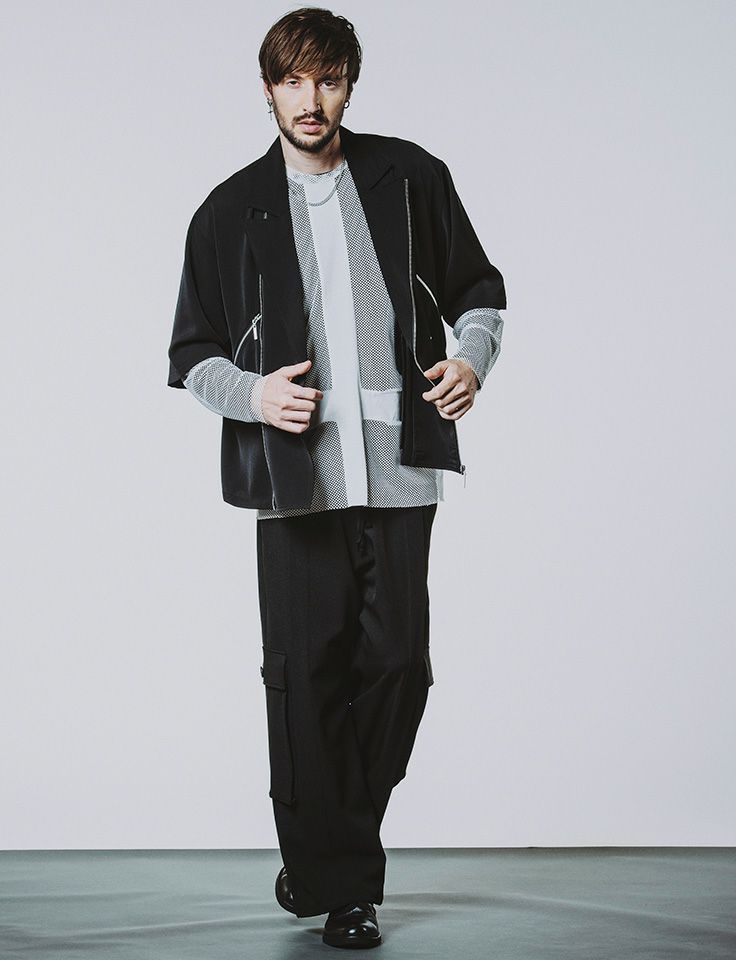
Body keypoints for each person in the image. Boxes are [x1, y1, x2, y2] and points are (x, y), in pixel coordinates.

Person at [167, 7, 506, 949]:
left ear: (350, 82)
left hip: (401, 472)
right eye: (292, 81)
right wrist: (252, 395)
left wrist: (471, 360)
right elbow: (190, 354)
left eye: (327, 79)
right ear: (267, 89)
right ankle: (344, 890)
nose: (310, 99)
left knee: (398, 665)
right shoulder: (228, 210)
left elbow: (479, 290)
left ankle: (322, 842)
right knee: (305, 678)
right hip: (295, 485)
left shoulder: (411, 178)